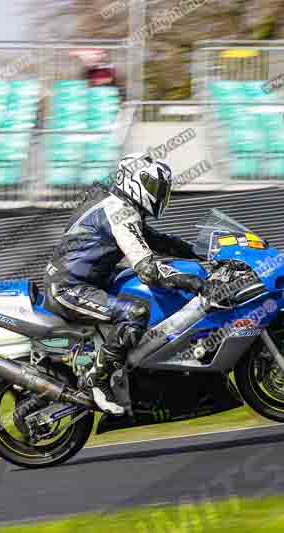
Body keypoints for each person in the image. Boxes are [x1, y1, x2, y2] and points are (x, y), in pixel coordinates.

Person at [42, 153, 207, 415]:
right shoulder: (119, 212)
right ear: (133, 182)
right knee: (136, 313)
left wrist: (201, 251)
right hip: (68, 289)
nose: (158, 194)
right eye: (153, 187)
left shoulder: (119, 205)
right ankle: (97, 378)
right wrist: (192, 282)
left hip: (89, 280)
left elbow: (156, 241)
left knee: (137, 292)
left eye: (161, 189)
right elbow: (147, 270)